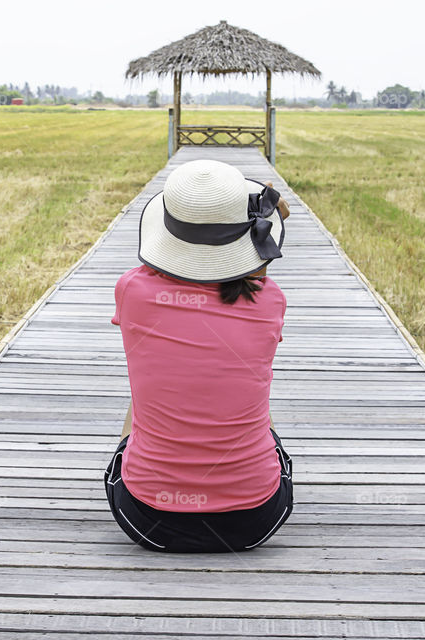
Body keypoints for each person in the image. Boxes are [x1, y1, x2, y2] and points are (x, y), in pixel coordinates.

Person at [103, 158, 294, 553]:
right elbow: (251, 283)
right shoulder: (271, 301)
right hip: (255, 520)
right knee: (249, 378)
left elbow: (150, 271)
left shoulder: (131, 292)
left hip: (147, 519)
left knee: (148, 387)